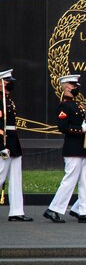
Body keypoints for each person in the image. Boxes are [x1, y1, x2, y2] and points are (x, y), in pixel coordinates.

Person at [44, 74, 86, 223]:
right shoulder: (64, 105)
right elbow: (63, 127)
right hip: (73, 148)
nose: (76, 88)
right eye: (74, 86)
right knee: (70, 180)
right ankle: (53, 209)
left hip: (83, 148)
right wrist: (80, 129)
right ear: (67, 87)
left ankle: (84, 210)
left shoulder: (77, 105)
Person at [0, 68, 29, 221]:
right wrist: (1, 147)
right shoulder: (0, 100)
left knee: (16, 178)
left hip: (13, 141)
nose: (10, 84)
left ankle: (17, 211)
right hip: (4, 143)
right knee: (0, 174)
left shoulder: (8, 100)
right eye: (7, 82)